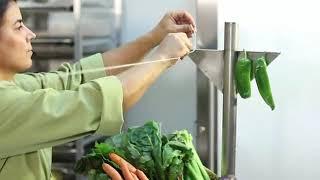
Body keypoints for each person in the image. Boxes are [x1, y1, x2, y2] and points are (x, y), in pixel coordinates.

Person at [0, 0, 196, 179]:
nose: (30, 34)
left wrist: (156, 36)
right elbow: (97, 103)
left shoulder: (15, 84)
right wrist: (162, 57)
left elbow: (82, 75)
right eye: (18, 26)